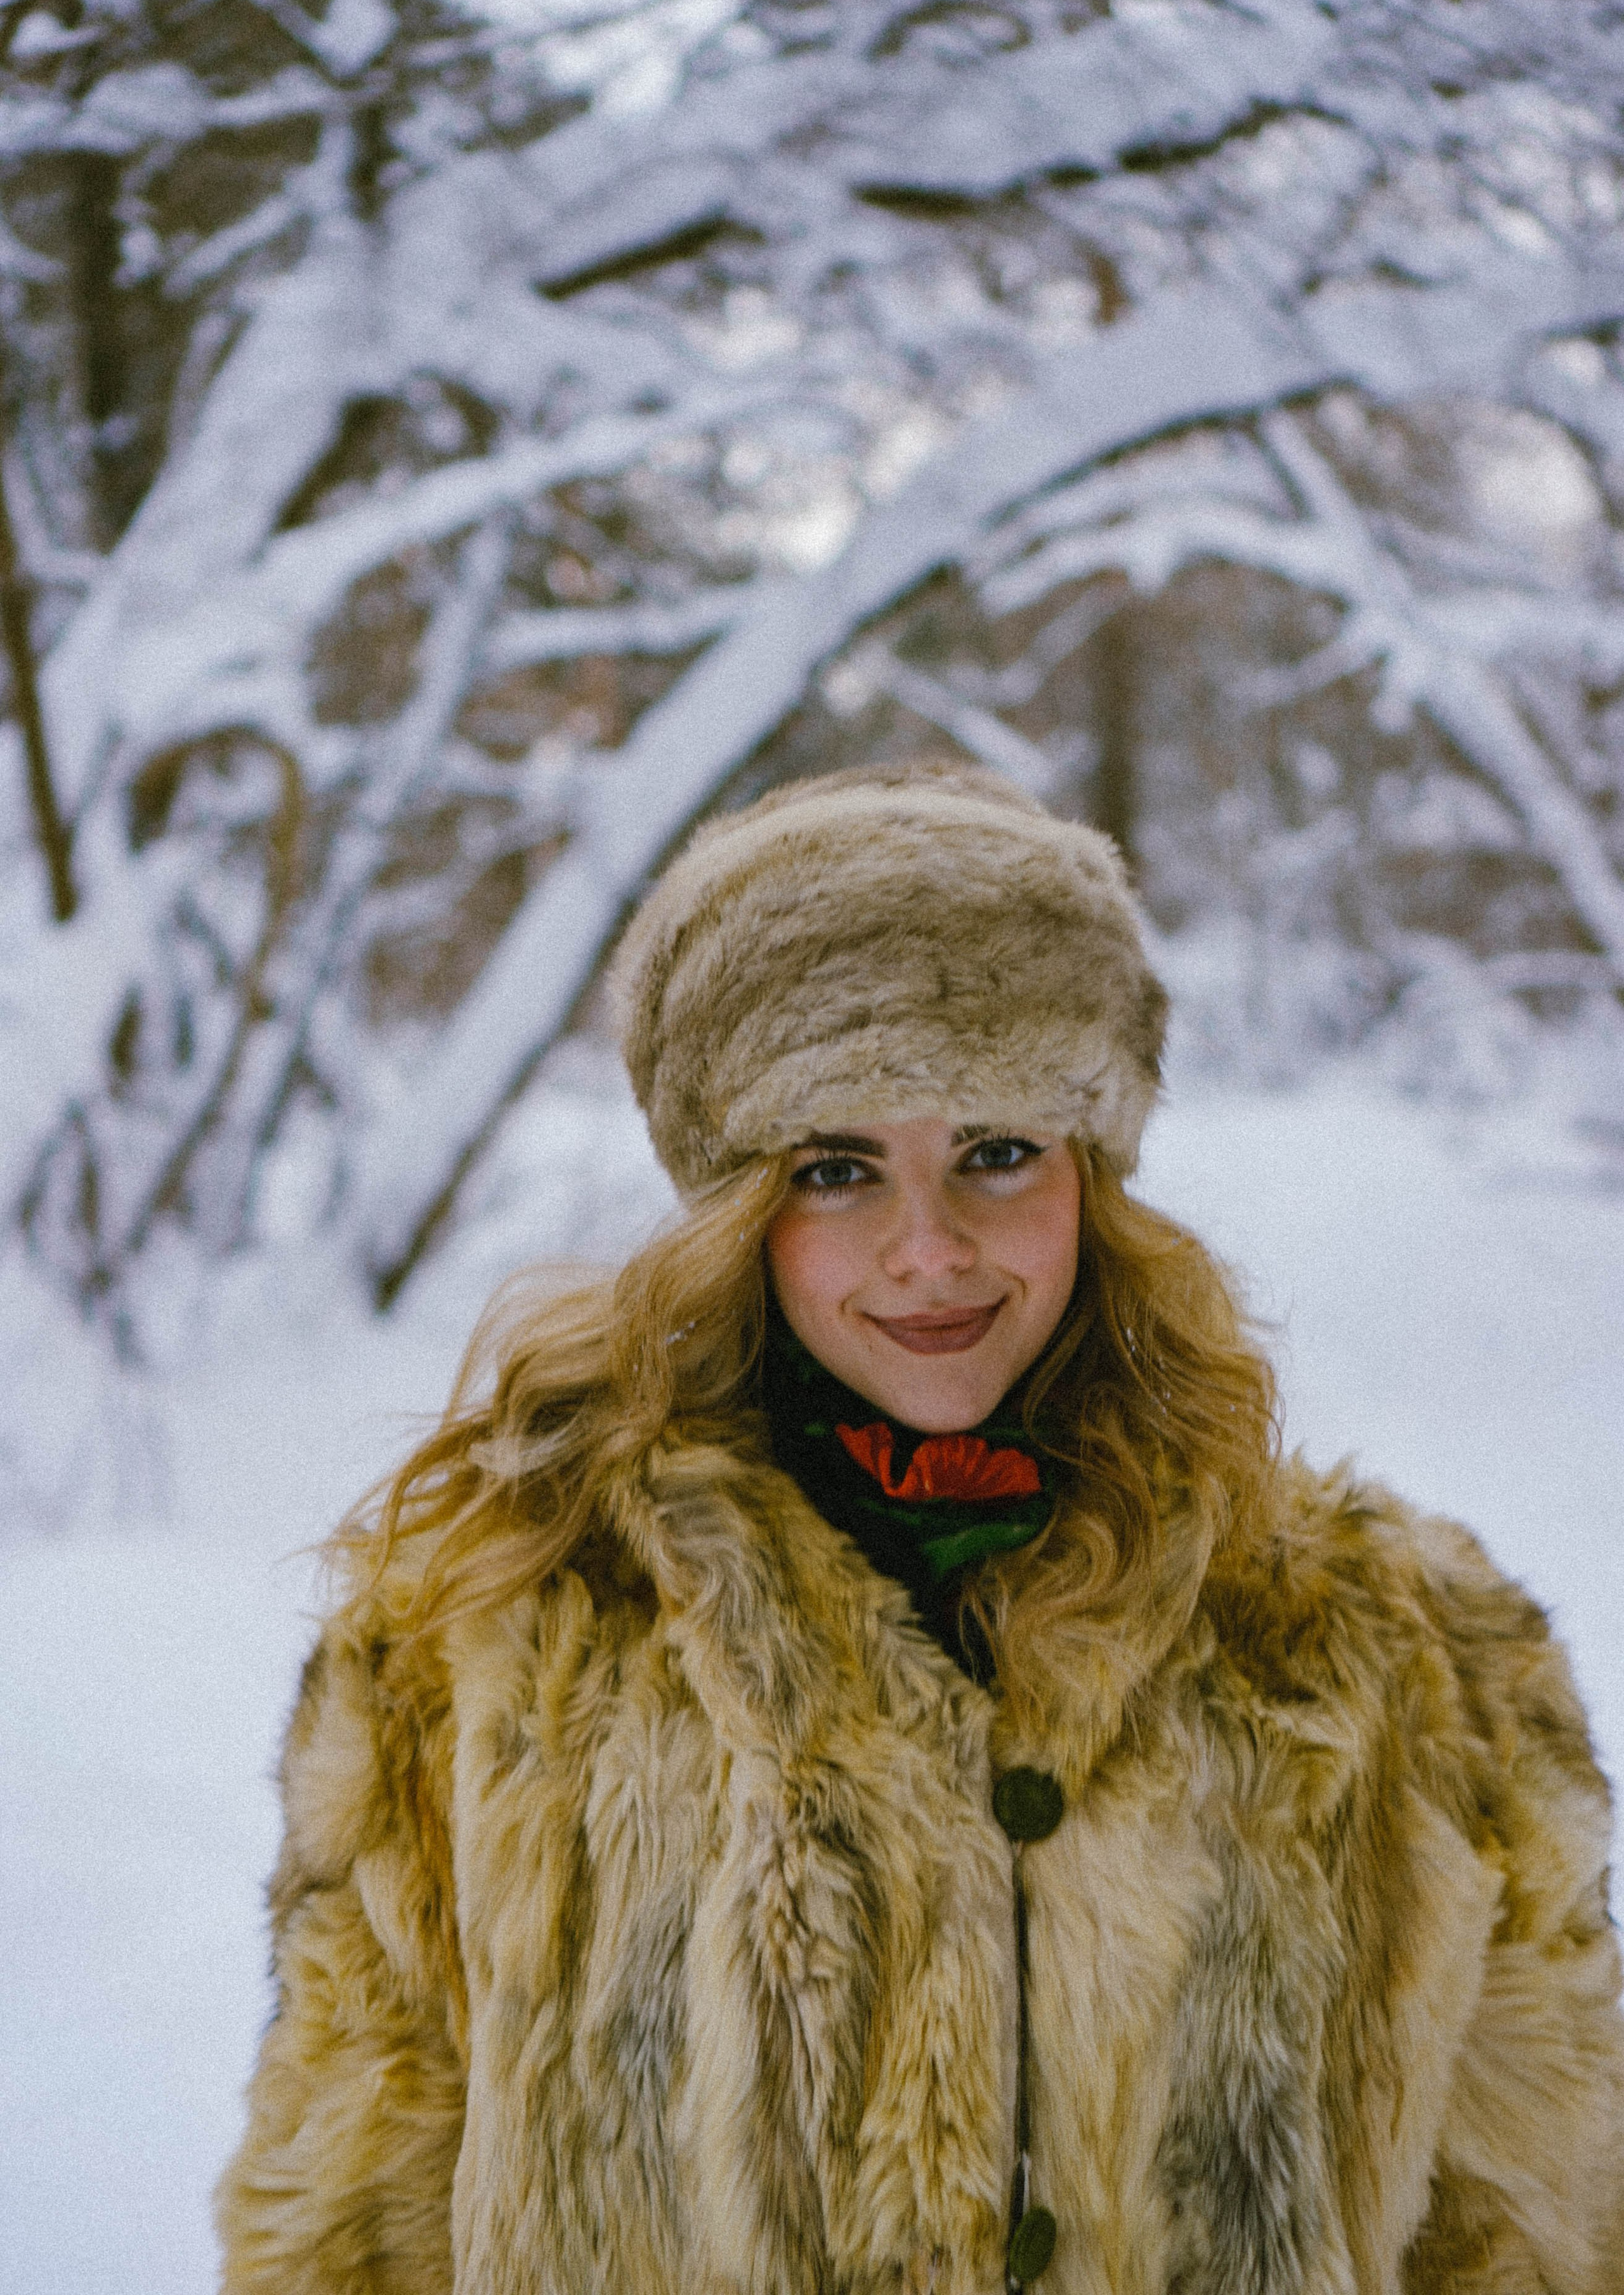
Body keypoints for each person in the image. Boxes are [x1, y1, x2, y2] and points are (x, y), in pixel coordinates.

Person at [216, 764, 1623, 2294]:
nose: (928, 1251)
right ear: (732, 1205)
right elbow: (347, 2232)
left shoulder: (1401, 1656)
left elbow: (1537, 2234)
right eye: (835, 1171)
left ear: (1091, 1168)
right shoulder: (484, 1646)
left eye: (995, 1153)